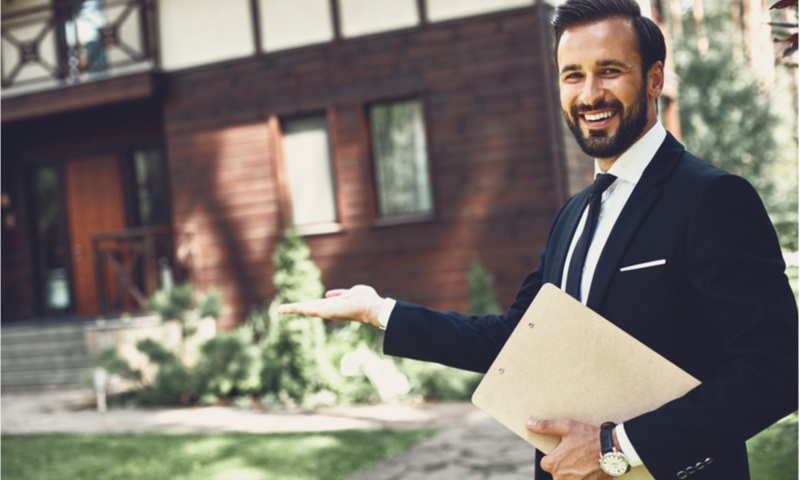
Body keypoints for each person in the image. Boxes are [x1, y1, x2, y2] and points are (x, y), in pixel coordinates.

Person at [278, 0, 799, 478]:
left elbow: (777, 368)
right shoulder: (570, 217)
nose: (589, 93)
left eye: (610, 71)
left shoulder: (713, 198)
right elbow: (513, 341)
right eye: (573, 75)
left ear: (654, 78)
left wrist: (617, 448)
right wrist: (381, 312)